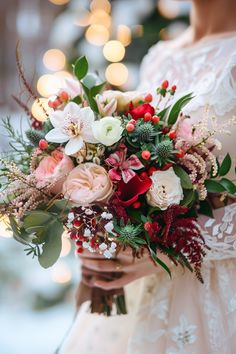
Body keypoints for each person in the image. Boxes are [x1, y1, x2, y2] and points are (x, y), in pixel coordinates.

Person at [59, 0, 236, 352]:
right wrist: (102, 236)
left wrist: (166, 252)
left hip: (215, 287)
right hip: (140, 293)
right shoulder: (160, 56)